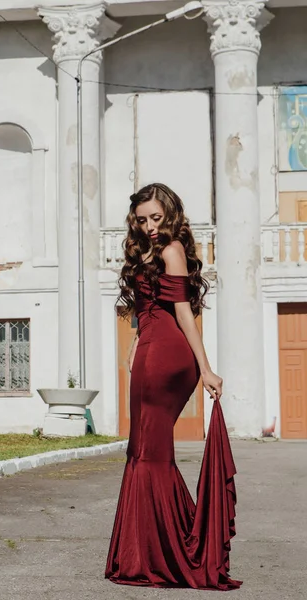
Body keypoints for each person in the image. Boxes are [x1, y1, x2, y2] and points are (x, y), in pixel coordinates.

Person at [105, 183, 242, 590]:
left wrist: (207, 368)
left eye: (155, 218)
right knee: (143, 449)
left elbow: (183, 313)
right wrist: (133, 343)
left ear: (171, 215)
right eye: (142, 219)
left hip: (168, 356)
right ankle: (148, 550)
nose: (148, 226)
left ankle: (162, 555)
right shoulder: (146, 251)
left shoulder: (171, 250)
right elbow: (145, 308)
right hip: (148, 349)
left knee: (151, 452)